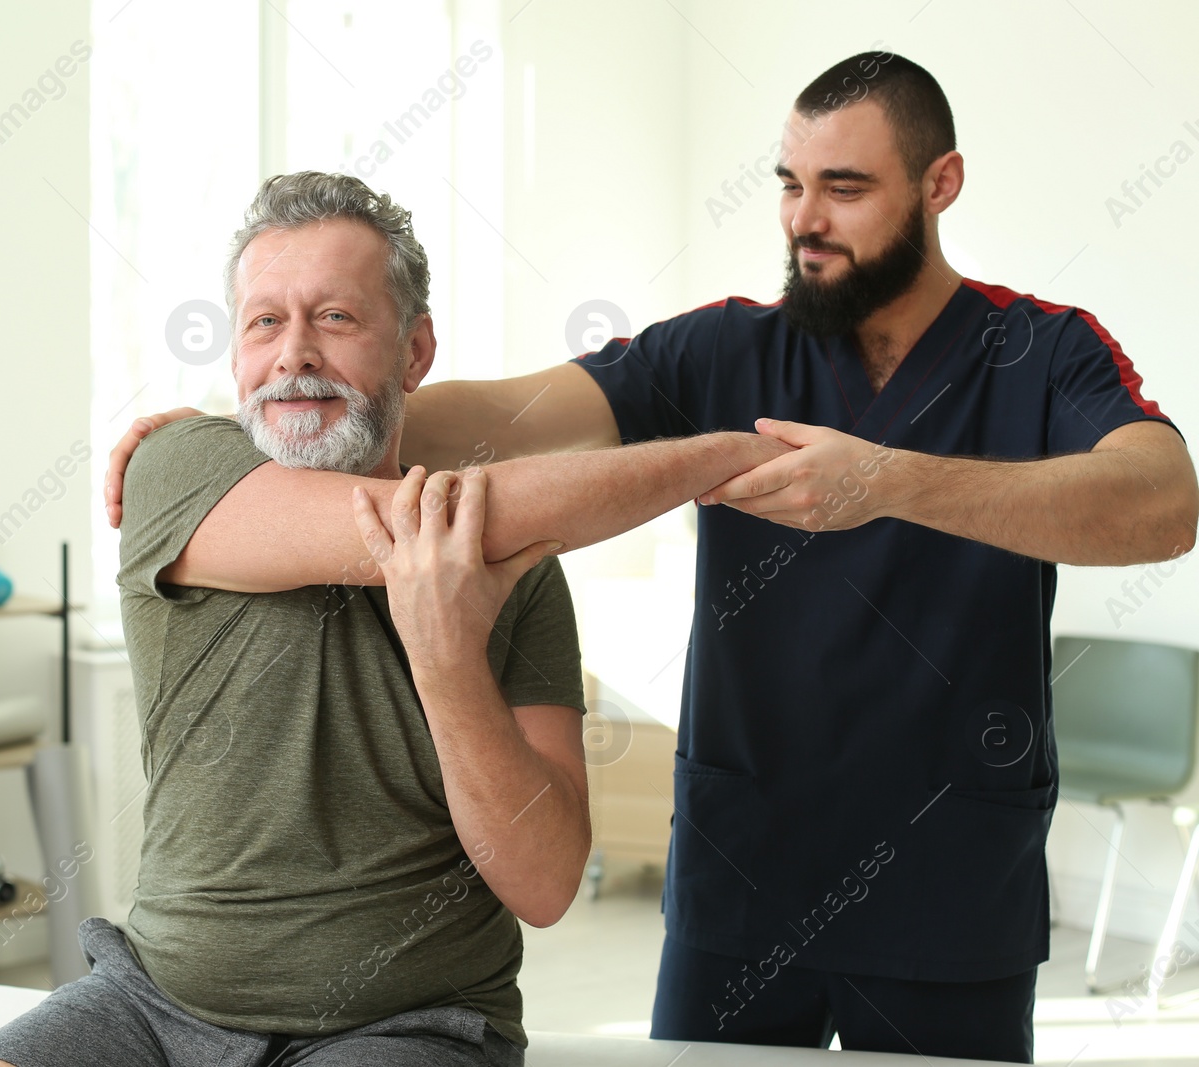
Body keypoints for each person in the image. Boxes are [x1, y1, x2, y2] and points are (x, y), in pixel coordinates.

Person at [103, 55, 1198, 1062]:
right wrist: (208, 434)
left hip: (949, 880)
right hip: (742, 880)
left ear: (940, 183)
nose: (802, 220)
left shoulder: (1041, 348)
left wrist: (893, 480)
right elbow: (478, 413)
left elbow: (1161, 505)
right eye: (787, 183)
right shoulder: (722, 347)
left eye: (844, 189)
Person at [0, 171, 784, 1067]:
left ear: (415, 350)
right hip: (153, 1002)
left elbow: (547, 884)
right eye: (264, 322)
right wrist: (727, 458)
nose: (294, 355)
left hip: (410, 1024)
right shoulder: (174, 466)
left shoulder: (526, 580)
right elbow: (459, 518)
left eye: (337, 318)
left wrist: (446, 660)